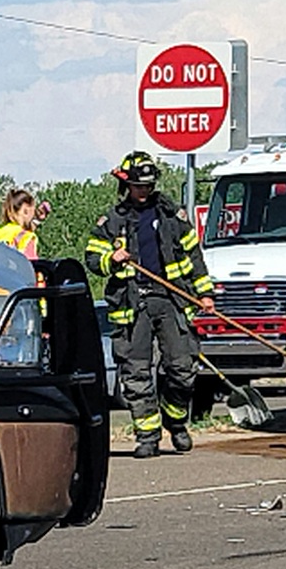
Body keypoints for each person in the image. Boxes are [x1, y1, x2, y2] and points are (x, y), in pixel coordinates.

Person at [84, 150, 216, 457]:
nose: (143, 190)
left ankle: (176, 421)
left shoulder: (172, 215)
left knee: (183, 367)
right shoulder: (111, 221)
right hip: (132, 306)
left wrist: (204, 294)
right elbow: (92, 258)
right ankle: (147, 436)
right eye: (138, 185)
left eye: (148, 185)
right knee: (136, 372)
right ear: (126, 184)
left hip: (171, 301)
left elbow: (194, 257)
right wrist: (111, 258)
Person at [0, 187, 44, 260]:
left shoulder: (0, 233)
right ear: (26, 211)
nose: (34, 215)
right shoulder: (27, 237)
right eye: (33, 211)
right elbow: (32, 266)